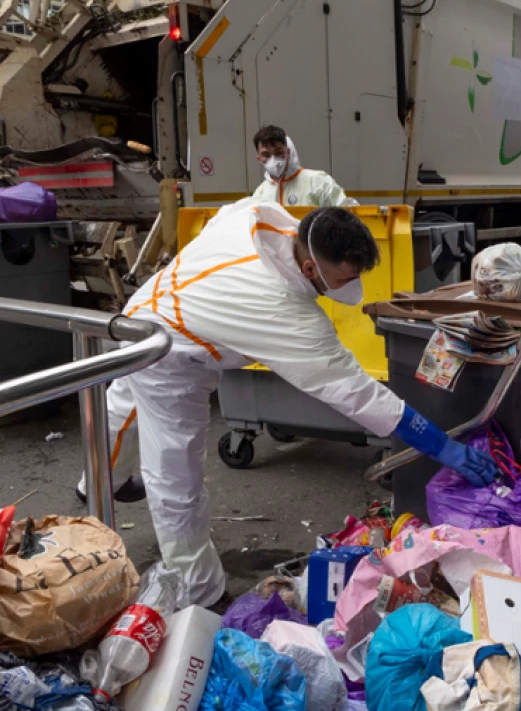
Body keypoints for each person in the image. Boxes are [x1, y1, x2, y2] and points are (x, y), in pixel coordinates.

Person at [77, 202, 495, 608]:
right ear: (310, 268)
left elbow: (233, 214)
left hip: (157, 302)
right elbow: (362, 397)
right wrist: (444, 447)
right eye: (345, 275)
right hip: (168, 350)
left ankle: (94, 482)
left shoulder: (258, 217)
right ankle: (198, 593)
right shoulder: (283, 313)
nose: (352, 285)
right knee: (175, 471)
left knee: (122, 404)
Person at [252, 125, 354, 207]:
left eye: (278, 152)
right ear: (259, 158)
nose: (273, 160)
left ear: (288, 152)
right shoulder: (260, 194)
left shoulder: (317, 182)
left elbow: (347, 212)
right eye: (266, 155)